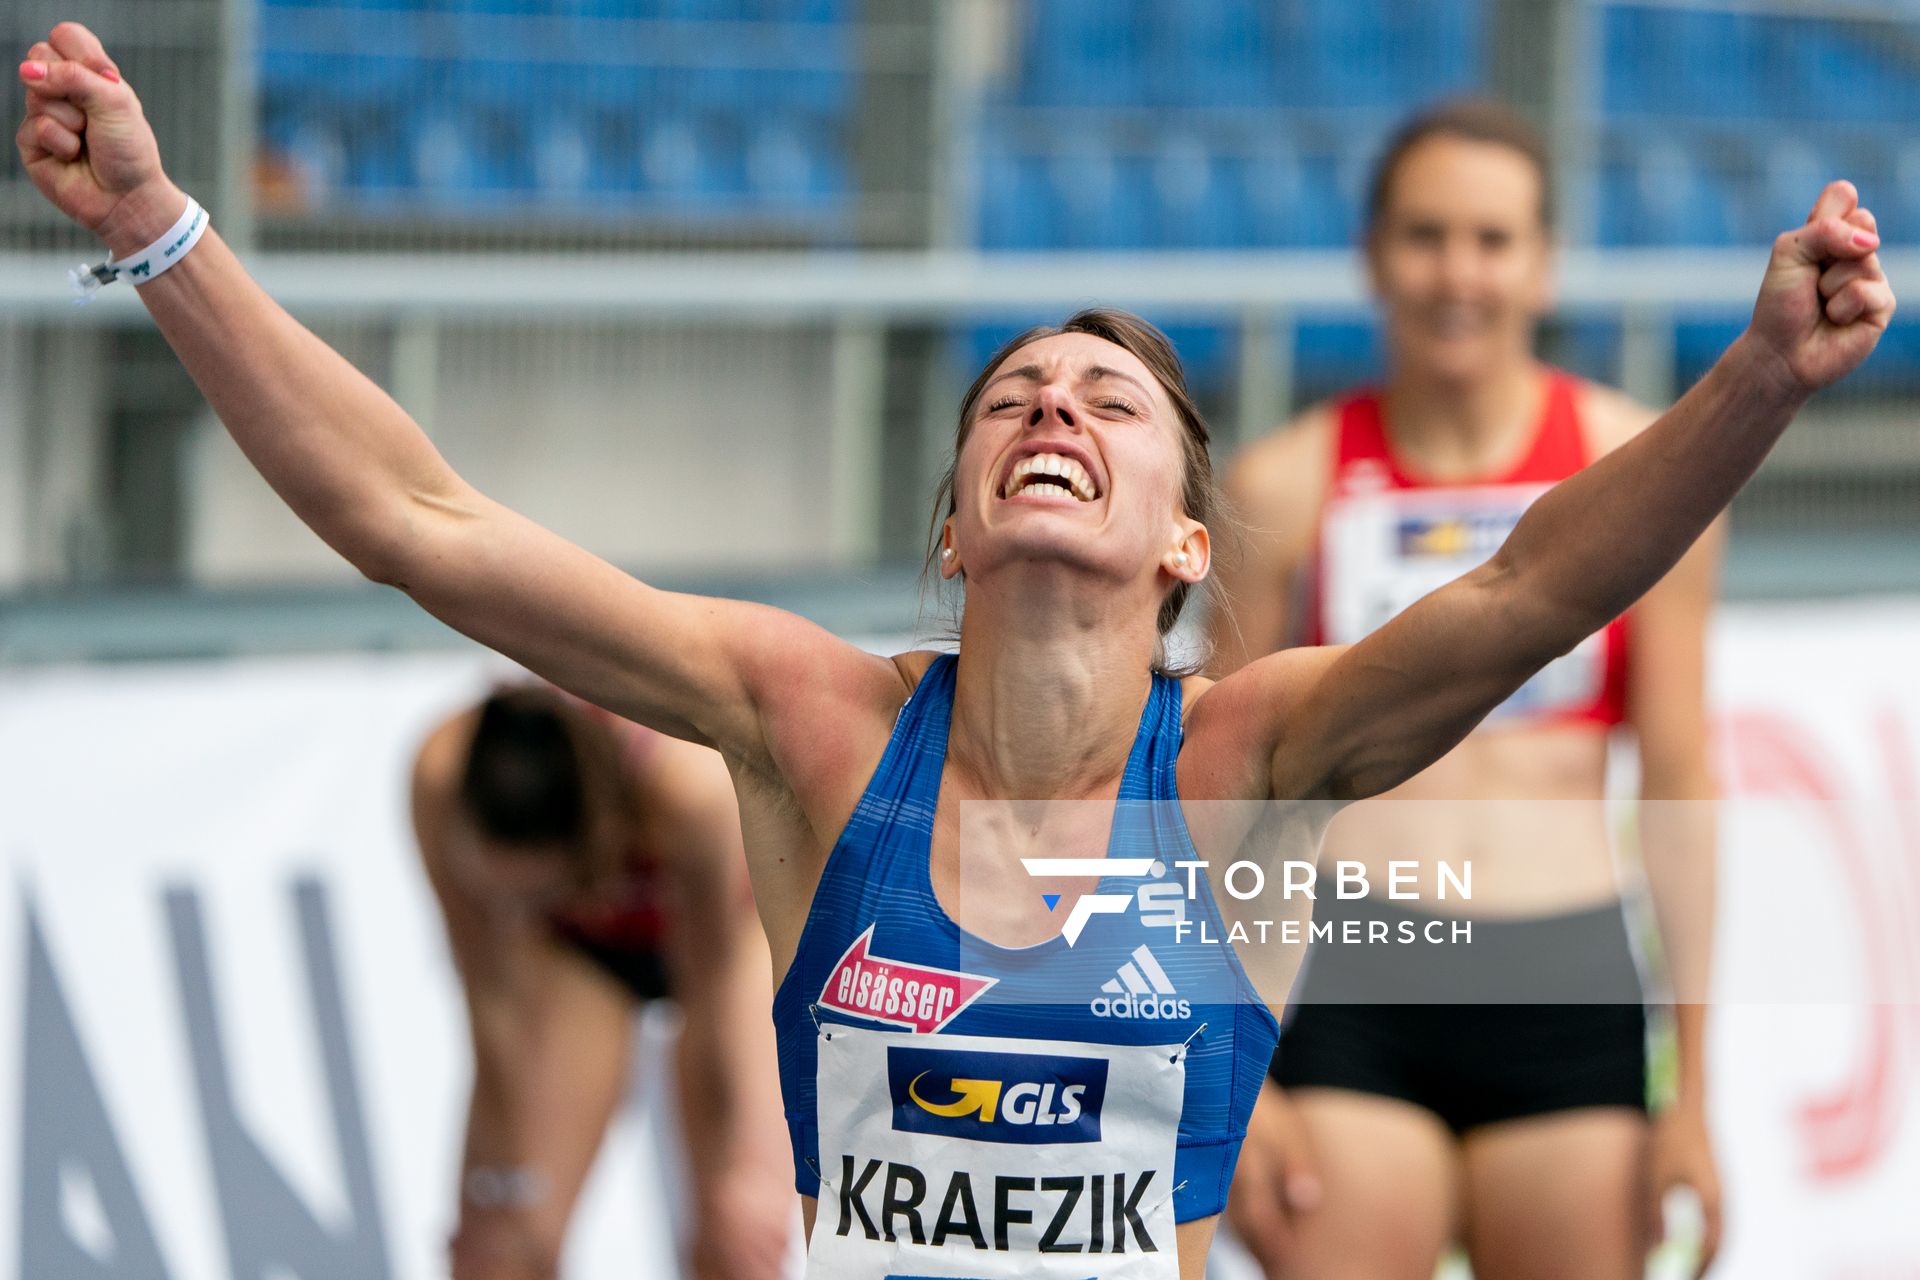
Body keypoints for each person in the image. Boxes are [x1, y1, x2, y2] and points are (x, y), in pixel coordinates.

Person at [15, 23, 1893, 1278]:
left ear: (1183, 539)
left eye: (1107, 398)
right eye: (1011, 395)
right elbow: (417, 522)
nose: (1051, 406)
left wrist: (1755, 378)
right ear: (954, 519)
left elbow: (1529, 593)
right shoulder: (810, 725)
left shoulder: (1242, 764)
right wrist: (161, 232)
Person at [1212, 100, 1725, 1280]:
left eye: (1492, 240)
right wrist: (1221, 1056)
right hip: (1348, 981)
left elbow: (1684, 777)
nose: (1458, 272)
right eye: (1425, 234)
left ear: (1543, 262)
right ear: (1373, 254)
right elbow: (1218, 790)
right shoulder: (1285, 487)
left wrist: (1692, 1095)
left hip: (1565, 984)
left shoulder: (1638, 473)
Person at [411, 685, 793, 1280]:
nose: (523, 905)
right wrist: (499, 1179)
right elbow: (490, 997)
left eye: (543, 891)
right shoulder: (442, 775)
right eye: (512, 898)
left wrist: (743, 1166)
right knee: (501, 1249)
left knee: (737, 1233)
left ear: (599, 840)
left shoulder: (688, 790)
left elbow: (714, 995)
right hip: (577, 959)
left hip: (725, 943)